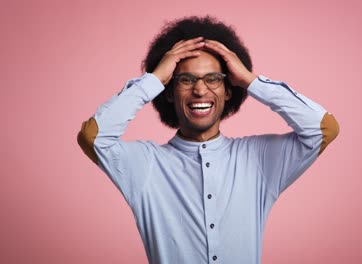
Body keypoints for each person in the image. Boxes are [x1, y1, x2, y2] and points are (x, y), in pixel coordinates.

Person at [77, 16, 339, 264]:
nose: (200, 90)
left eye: (213, 78)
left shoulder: (258, 160)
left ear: (228, 90)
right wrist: (154, 80)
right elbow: (93, 137)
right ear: (168, 92)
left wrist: (250, 80)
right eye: (186, 80)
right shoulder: (146, 165)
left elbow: (323, 129)